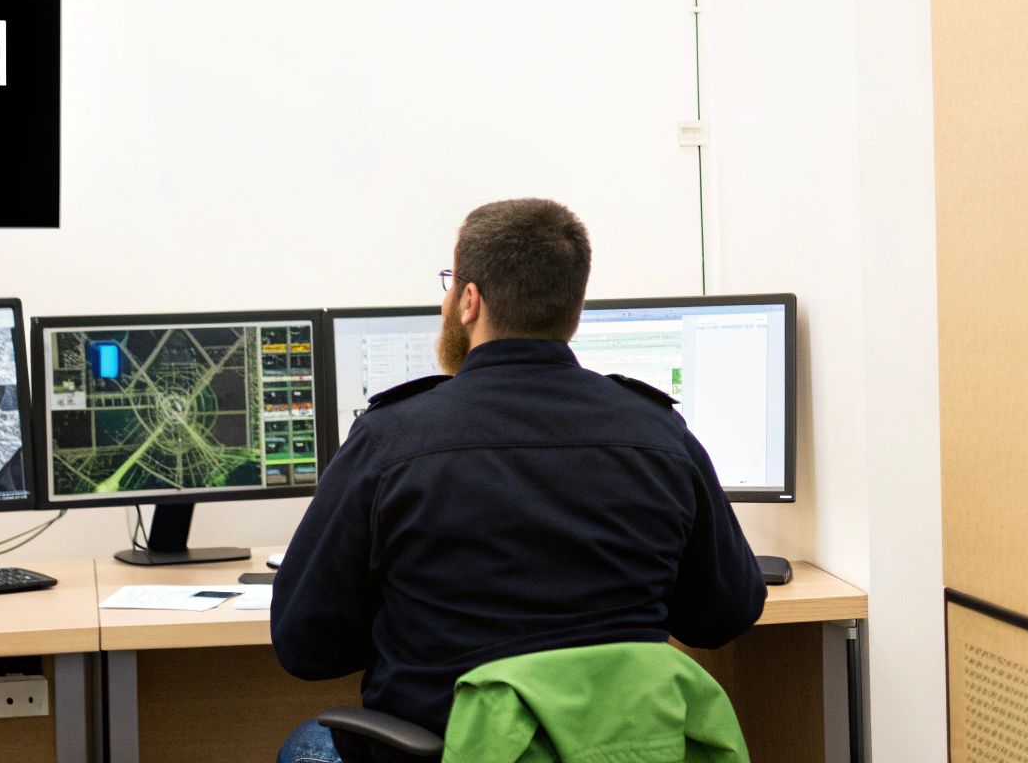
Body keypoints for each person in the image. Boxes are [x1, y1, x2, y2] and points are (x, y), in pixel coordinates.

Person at [272, 198, 765, 763]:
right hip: (622, 751)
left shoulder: (389, 440)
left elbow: (305, 646)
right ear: (573, 309)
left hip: (452, 750)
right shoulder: (659, 434)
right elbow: (725, 614)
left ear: (469, 300)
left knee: (307, 746)